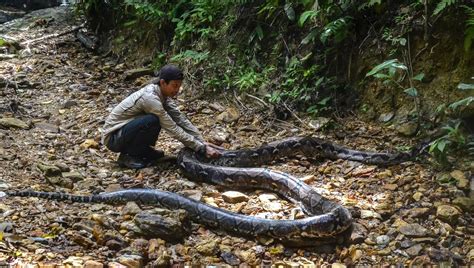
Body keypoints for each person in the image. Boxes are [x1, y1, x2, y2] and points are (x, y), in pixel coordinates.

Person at [101, 64, 221, 169]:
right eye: (174, 86)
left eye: (179, 86)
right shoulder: (150, 98)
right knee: (153, 120)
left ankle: (142, 151)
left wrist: (201, 141)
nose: (177, 90)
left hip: (124, 132)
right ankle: (128, 156)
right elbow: (172, 127)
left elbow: (180, 119)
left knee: (154, 120)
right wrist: (200, 148)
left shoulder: (163, 95)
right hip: (113, 138)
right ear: (163, 82)